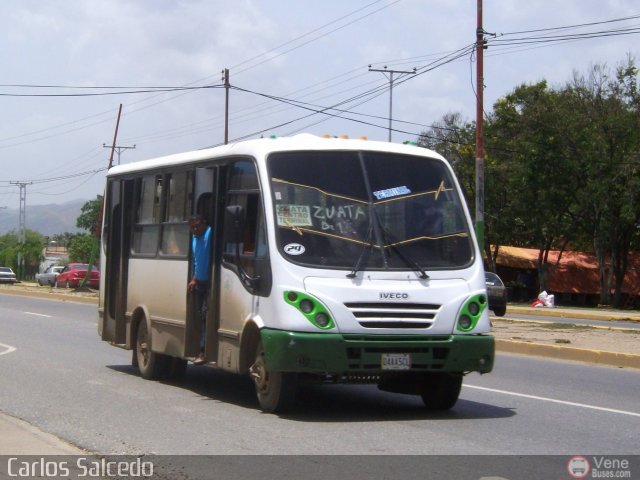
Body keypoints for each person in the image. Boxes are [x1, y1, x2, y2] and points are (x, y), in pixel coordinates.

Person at [188, 214, 212, 365]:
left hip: (211, 282)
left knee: (205, 315)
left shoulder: (209, 233)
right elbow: (197, 262)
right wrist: (194, 279)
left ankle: (203, 351)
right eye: (193, 227)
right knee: (200, 317)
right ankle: (199, 349)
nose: (195, 229)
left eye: (198, 226)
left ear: (204, 225)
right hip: (199, 283)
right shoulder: (194, 239)